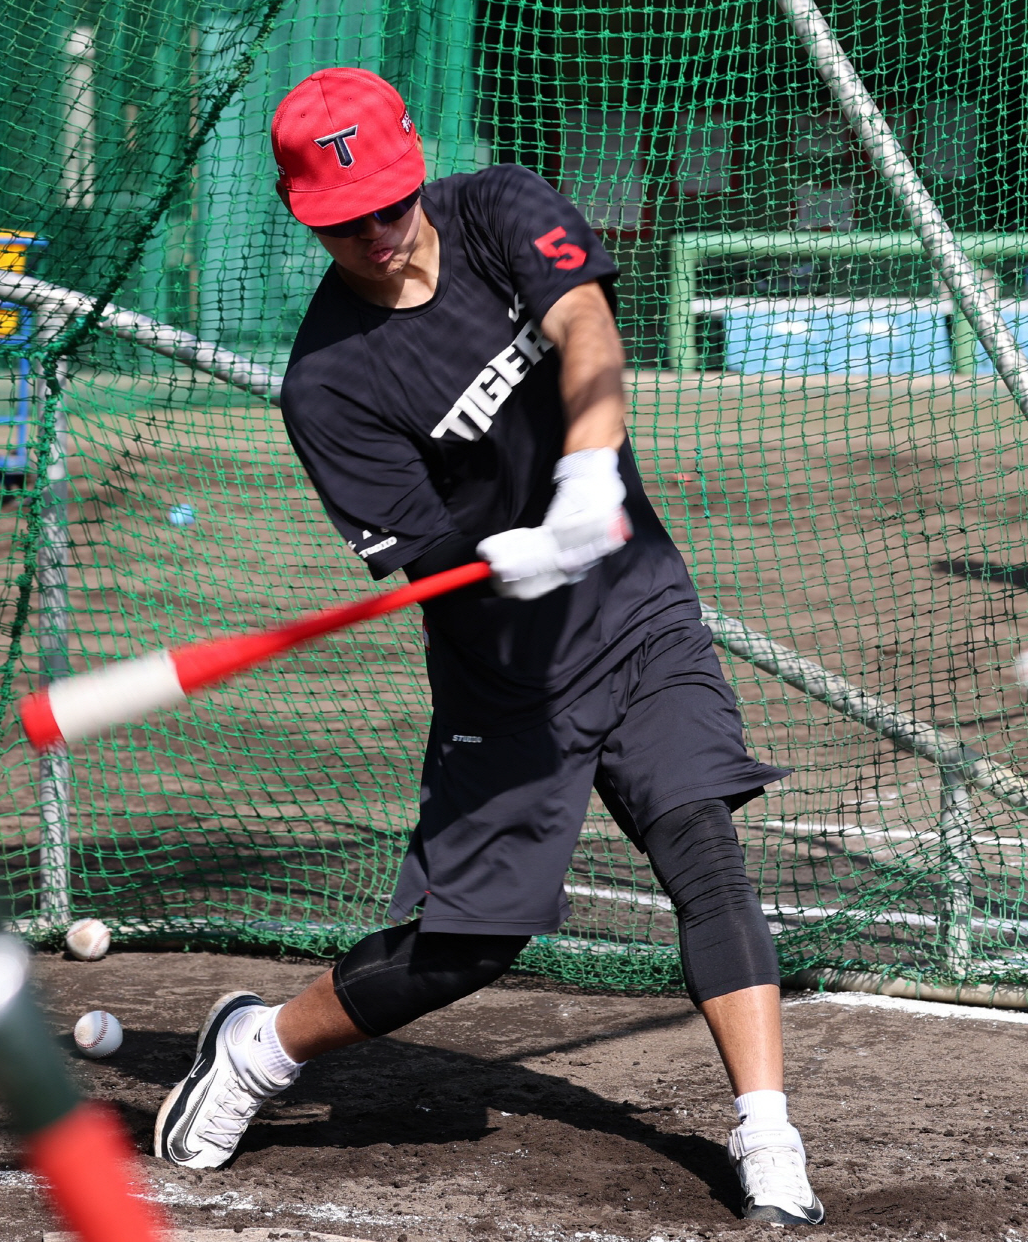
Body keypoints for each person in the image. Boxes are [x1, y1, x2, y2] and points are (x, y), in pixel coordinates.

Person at [153, 67, 823, 1226]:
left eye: (389, 204)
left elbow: (586, 323)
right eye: (342, 221)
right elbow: (425, 559)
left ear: (417, 171)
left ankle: (768, 1133)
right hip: (508, 669)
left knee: (700, 847)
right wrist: (493, 556)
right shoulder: (327, 385)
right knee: (469, 947)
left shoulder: (500, 208)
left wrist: (585, 472)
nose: (376, 234)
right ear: (302, 214)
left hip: (636, 603)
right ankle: (261, 1049)